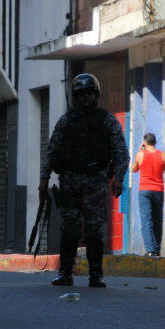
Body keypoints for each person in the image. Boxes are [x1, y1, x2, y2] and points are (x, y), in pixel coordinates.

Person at [39, 73, 129, 288]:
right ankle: (65, 273)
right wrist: (43, 179)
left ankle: (96, 275)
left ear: (95, 94)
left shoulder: (107, 121)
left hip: (96, 182)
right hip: (70, 181)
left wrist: (119, 178)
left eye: (89, 93)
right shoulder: (67, 121)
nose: (86, 98)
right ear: (76, 97)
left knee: (94, 230)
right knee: (69, 229)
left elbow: (121, 152)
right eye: (81, 94)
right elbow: (52, 150)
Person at [130, 132, 165, 257]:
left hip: (144, 191)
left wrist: (139, 151)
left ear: (144, 142)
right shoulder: (163, 155)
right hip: (158, 191)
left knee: (146, 220)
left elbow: (134, 169)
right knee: (157, 220)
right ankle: (157, 249)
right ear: (155, 142)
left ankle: (150, 250)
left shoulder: (140, 154)